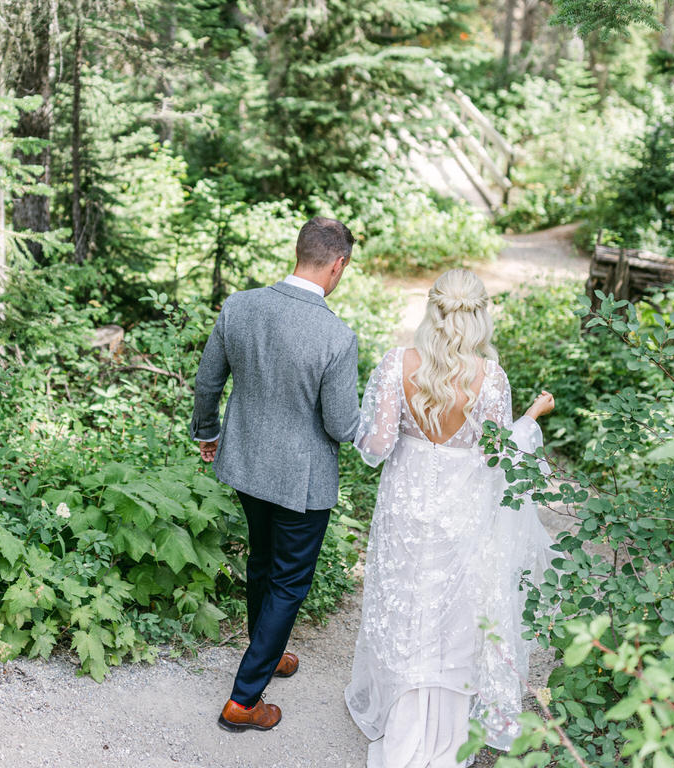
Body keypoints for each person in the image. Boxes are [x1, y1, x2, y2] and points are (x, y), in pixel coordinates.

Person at [345, 268, 556, 768]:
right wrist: (530, 418)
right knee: (456, 608)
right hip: (463, 507)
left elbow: (375, 448)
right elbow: (498, 457)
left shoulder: (398, 364)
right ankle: (448, 728)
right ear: (480, 314)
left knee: (406, 604)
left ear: (432, 309)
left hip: (407, 504)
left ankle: (402, 716)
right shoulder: (491, 378)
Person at [189, 216, 364, 733]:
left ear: (299, 251)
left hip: (245, 464)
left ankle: (268, 652)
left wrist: (207, 432)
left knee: (264, 562)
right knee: (289, 582)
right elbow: (340, 424)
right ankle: (244, 699)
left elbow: (207, 381)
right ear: (338, 265)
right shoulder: (336, 335)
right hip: (301, 482)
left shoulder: (239, 306)